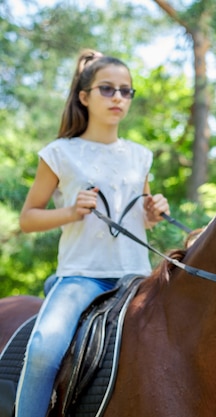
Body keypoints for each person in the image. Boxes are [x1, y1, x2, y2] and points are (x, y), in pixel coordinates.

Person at [15, 49, 170, 417]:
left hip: (135, 275)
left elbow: (141, 219)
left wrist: (152, 213)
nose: (118, 98)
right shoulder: (59, 153)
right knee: (44, 347)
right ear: (84, 97)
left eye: (126, 91)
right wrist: (70, 211)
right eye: (107, 89)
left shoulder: (139, 155)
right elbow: (27, 218)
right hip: (82, 276)